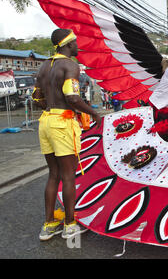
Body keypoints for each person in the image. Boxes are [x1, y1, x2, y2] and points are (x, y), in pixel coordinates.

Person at [32, 28, 102, 241]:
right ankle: (70, 225)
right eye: (76, 42)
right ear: (68, 44)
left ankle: (49, 224)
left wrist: (52, 107)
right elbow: (72, 97)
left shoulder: (44, 65)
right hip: (62, 123)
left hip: (45, 121)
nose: (77, 46)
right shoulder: (70, 65)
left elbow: (36, 97)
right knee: (69, 175)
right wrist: (94, 113)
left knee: (53, 173)